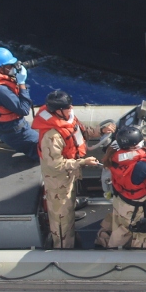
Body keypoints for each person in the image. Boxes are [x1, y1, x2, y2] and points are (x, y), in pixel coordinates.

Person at [31, 91, 102, 249]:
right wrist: (82, 162)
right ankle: (64, 248)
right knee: (60, 218)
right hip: (58, 179)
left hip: (69, 173)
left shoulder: (69, 119)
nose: (71, 108)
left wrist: (101, 131)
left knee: (68, 205)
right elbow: (55, 164)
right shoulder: (52, 136)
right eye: (67, 107)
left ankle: (71, 228)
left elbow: (82, 133)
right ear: (58, 111)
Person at [96, 125, 146, 249]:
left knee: (121, 228)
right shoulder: (141, 167)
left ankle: (108, 245)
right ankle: (132, 258)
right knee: (141, 234)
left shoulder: (113, 155)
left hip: (120, 200)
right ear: (134, 145)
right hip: (135, 207)